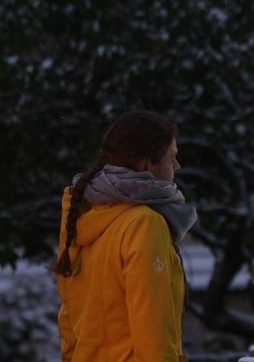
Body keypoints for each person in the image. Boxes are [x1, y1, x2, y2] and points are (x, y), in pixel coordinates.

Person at [53, 110, 197, 362]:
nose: (177, 167)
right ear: (145, 165)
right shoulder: (143, 223)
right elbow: (151, 325)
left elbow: (69, 313)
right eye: (171, 158)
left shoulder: (83, 210)